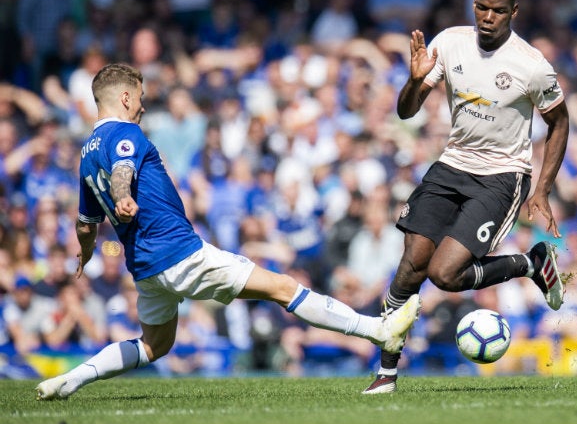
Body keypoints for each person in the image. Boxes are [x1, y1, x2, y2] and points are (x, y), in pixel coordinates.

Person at [35, 63, 420, 400]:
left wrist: (84, 257)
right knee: (282, 288)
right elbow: (123, 171)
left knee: (156, 345)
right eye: (138, 97)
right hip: (180, 252)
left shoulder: (86, 153)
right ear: (123, 97)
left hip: (145, 268)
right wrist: (122, 197)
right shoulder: (127, 133)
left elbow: (86, 224)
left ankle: (72, 379)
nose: (143, 106)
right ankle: (378, 330)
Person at [361, 0, 569, 394]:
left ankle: (531, 263)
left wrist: (542, 188)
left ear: (513, 12)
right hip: (451, 165)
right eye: (481, 7)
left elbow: (559, 123)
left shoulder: (531, 65)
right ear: (473, 5)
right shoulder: (449, 42)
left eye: (497, 10)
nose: (487, 17)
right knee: (409, 268)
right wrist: (416, 79)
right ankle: (386, 373)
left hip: (501, 176)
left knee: (446, 274)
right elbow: (406, 112)